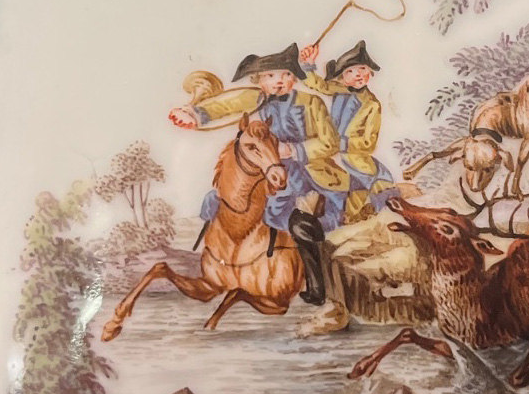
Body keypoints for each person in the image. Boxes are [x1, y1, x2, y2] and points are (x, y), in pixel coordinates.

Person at [168, 43, 348, 305]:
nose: (279, 81)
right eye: (271, 76)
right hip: (268, 172)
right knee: (221, 201)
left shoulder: (311, 103)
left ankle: (316, 286)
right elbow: (228, 104)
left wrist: (294, 150)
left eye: (286, 75)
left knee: (300, 225)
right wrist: (196, 114)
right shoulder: (256, 100)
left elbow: (330, 143)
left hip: (308, 174)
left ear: (295, 78)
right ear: (259, 80)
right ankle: (225, 267)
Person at [298, 39, 399, 223]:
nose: (357, 75)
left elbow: (368, 143)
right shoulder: (340, 90)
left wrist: (342, 143)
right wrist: (308, 64)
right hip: (329, 150)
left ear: (370, 72)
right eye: (349, 71)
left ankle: (353, 216)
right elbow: (319, 85)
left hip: (354, 159)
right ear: (342, 78)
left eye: (362, 69)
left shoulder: (372, 105)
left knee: (360, 194)